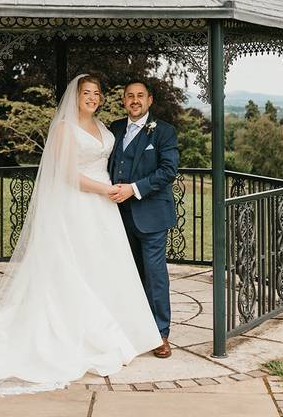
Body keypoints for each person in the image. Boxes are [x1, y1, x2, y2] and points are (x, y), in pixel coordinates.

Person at [0, 74, 162, 396]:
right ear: (75, 97)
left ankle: (114, 331)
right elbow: (66, 173)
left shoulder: (105, 127)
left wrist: (117, 189)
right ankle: (78, 334)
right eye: (86, 93)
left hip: (103, 210)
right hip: (80, 203)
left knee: (103, 268)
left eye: (97, 93)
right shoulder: (65, 128)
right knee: (74, 269)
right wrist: (105, 189)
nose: (92, 97)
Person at [107, 80, 180, 358]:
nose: (134, 100)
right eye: (129, 96)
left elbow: (168, 170)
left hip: (151, 215)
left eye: (140, 96)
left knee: (154, 275)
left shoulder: (164, 132)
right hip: (115, 215)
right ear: (123, 100)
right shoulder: (114, 128)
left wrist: (133, 189)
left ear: (149, 100)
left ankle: (161, 333)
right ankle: (132, 327)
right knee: (127, 273)